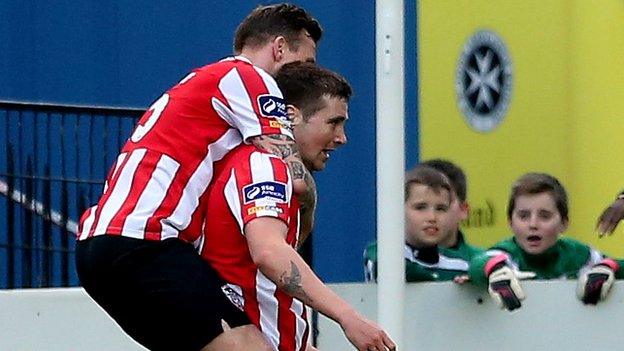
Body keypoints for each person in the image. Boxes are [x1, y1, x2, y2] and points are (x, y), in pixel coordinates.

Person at [75, 4, 324, 351]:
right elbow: (291, 172)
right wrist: (309, 202)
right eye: (306, 63)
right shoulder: (250, 77)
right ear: (279, 48)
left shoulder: (201, 83)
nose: (305, 76)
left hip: (100, 246)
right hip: (145, 240)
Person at [199, 61, 395, 351]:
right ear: (291, 116)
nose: (342, 138)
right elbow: (268, 252)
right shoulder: (263, 166)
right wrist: (348, 317)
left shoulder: (265, 168)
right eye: (334, 122)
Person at [468, 172, 624, 312]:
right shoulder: (506, 254)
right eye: (523, 216)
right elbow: (478, 264)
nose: (533, 224)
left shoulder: (578, 254)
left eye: (545, 216)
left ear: (564, 223)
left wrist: (609, 267)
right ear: (510, 222)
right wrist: (494, 271)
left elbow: (615, 265)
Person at [364, 166, 477, 282]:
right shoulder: (381, 251)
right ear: (397, 211)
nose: (432, 217)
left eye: (441, 209)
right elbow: (399, 270)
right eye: (420, 207)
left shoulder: (462, 265)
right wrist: (448, 288)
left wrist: (472, 287)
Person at [420, 159, 482, 258]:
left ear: (463, 210)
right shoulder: (392, 261)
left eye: (442, 207)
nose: (431, 216)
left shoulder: (483, 264)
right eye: (421, 207)